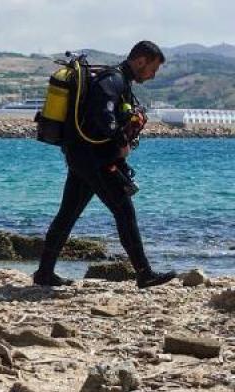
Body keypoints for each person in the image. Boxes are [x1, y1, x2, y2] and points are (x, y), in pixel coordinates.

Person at [35, 40, 176, 288]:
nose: (153, 76)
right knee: (124, 212)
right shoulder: (113, 80)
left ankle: (44, 272)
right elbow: (104, 119)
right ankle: (144, 273)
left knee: (67, 214)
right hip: (96, 159)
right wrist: (122, 140)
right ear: (140, 61)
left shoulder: (118, 81)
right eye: (152, 69)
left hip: (83, 156)